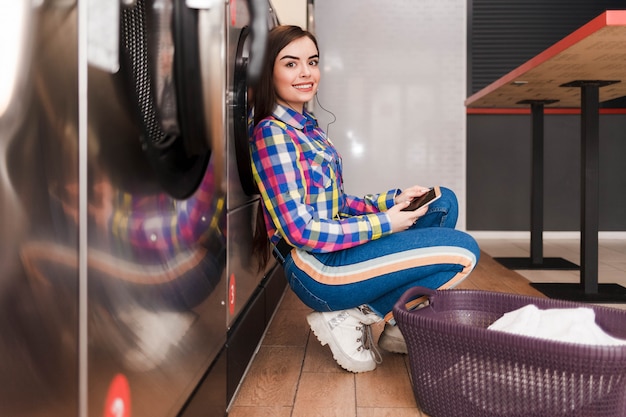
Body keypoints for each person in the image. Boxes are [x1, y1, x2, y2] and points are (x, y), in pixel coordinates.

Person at [249, 25, 480, 373]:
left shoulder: (306, 129)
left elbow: (338, 203)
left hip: (339, 252)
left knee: (441, 203)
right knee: (464, 251)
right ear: (268, 72)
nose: (306, 73)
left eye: (312, 62)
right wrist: (387, 222)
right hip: (318, 269)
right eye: (291, 64)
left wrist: (394, 200)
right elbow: (301, 231)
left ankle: (394, 326)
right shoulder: (273, 134)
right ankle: (357, 315)